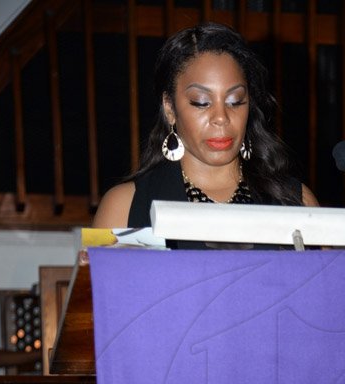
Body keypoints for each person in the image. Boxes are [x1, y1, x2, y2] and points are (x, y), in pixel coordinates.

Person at [93, 22, 318, 232]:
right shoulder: (125, 206)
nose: (221, 117)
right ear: (170, 108)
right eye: (201, 102)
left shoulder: (296, 200)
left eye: (235, 101)